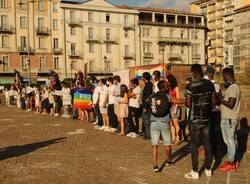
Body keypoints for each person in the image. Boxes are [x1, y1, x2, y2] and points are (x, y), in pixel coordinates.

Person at [184, 64, 216, 180]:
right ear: (202, 72)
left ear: (193, 73)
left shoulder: (190, 86)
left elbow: (188, 104)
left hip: (195, 119)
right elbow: (213, 102)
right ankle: (208, 168)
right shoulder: (210, 84)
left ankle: (195, 171)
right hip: (207, 119)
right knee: (207, 144)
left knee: (194, 146)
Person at [217, 67, 241, 172]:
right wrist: (222, 98)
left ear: (227, 75)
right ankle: (234, 161)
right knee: (232, 140)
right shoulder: (232, 87)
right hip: (229, 118)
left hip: (229, 119)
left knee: (229, 141)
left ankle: (231, 162)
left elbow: (231, 104)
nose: (223, 78)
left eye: (223, 76)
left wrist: (220, 98)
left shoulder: (233, 88)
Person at [150, 80, 173, 172]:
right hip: (164, 122)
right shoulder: (167, 96)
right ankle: (169, 160)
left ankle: (155, 165)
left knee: (154, 145)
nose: (168, 87)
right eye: (167, 86)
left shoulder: (152, 96)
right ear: (163, 87)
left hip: (153, 122)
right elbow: (175, 101)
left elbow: (147, 103)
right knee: (167, 144)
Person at [205, 66, 226, 161]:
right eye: (207, 73)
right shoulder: (206, 83)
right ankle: (212, 151)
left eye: (210, 73)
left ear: (213, 74)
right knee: (209, 133)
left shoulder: (215, 84)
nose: (208, 74)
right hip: (208, 111)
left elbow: (215, 99)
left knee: (215, 133)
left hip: (214, 111)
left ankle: (216, 152)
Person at [167, 74, 181, 144]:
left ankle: (177, 137)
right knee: (171, 124)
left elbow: (178, 98)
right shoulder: (168, 88)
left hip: (175, 106)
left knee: (176, 123)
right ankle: (173, 138)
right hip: (169, 107)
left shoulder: (176, 88)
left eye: (168, 81)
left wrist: (175, 108)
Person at [141, 72, 153, 140]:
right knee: (145, 120)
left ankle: (149, 134)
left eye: (143, 77)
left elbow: (147, 97)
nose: (142, 78)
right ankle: (147, 133)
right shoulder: (147, 85)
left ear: (144, 78)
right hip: (146, 106)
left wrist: (145, 107)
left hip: (147, 106)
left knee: (147, 120)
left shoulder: (148, 85)